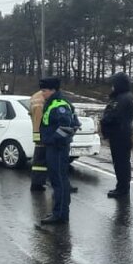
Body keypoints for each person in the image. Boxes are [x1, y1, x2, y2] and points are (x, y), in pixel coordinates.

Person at [38, 77, 80, 226]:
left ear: (52, 90)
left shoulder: (60, 105)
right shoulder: (54, 103)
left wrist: (51, 140)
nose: (42, 94)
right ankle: (59, 212)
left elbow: (67, 128)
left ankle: (60, 214)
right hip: (54, 147)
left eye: (44, 91)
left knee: (59, 181)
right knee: (57, 180)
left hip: (58, 148)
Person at [100, 71, 133, 198]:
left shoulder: (122, 98)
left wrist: (105, 120)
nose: (112, 87)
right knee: (122, 162)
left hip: (120, 134)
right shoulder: (127, 97)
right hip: (123, 133)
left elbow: (114, 115)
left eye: (114, 84)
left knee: (121, 163)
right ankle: (122, 187)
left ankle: (122, 189)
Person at [27, 86, 49, 192]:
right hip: (41, 133)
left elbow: (32, 115)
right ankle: (37, 184)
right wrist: (38, 136)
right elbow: (38, 119)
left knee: (39, 161)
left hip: (39, 133)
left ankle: (37, 183)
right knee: (40, 161)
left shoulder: (35, 97)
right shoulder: (41, 99)